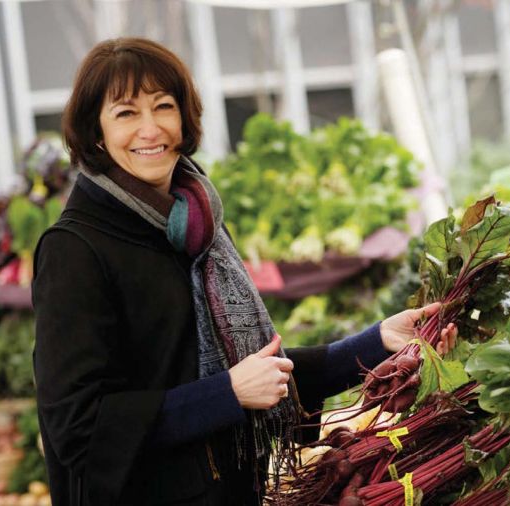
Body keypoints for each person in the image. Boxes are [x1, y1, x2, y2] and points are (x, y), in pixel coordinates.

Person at [32, 37, 457, 506]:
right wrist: (226, 393)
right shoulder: (75, 250)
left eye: (163, 107)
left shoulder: (199, 226)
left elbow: (259, 370)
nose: (150, 129)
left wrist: (377, 342)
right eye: (126, 113)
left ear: (185, 118)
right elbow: (77, 427)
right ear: (96, 132)